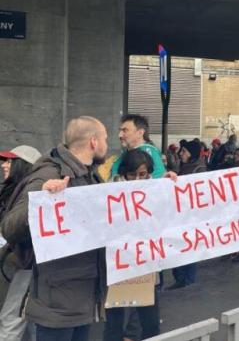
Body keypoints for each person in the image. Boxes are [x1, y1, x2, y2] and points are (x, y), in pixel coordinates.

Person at [1, 116, 109, 341]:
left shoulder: (90, 176)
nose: (108, 144)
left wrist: (164, 187)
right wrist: (43, 199)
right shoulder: (49, 175)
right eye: (105, 139)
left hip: (82, 295)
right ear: (94, 142)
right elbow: (10, 227)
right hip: (58, 301)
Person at [103, 149, 178, 341]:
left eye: (143, 174)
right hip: (118, 265)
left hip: (145, 263)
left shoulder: (155, 187)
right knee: (114, 322)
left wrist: (169, 183)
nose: (137, 179)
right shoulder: (108, 191)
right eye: (132, 175)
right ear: (123, 173)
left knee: (150, 320)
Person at [0, 145, 42, 341]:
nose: (4, 165)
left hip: (29, 265)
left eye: (10, 161)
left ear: (22, 165)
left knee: (11, 319)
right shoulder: (17, 190)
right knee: (29, 321)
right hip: (26, 264)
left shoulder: (27, 192)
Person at [170, 140, 208, 289]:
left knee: (188, 248)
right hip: (180, 216)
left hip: (191, 218)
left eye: (184, 151)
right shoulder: (184, 167)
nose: (181, 154)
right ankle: (180, 278)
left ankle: (186, 279)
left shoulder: (199, 169)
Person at [111, 114, 166, 179]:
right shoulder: (125, 154)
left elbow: (158, 180)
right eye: (120, 131)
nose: (119, 135)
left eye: (125, 130)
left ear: (140, 133)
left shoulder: (149, 151)